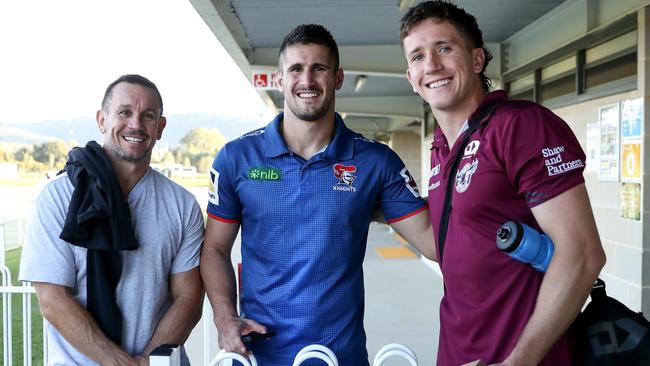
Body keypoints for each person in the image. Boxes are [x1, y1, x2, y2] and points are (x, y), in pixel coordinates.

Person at [202, 24, 434, 366]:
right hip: (259, 356)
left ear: (338, 78)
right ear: (280, 79)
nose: (307, 81)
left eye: (319, 68)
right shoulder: (237, 158)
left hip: (341, 357)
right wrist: (225, 318)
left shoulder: (375, 161)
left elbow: (433, 241)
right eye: (296, 68)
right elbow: (215, 248)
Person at [399, 2, 606, 365]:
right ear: (411, 78)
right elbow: (445, 244)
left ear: (477, 60)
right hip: (457, 354)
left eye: (444, 48)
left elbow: (583, 253)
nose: (431, 65)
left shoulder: (520, 127)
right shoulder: (441, 150)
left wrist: (519, 360)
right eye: (418, 56)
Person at [19, 74, 204, 366]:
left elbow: (189, 297)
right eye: (124, 112)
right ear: (102, 120)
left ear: (160, 128)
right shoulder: (56, 198)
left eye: (148, 116)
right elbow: (53, 299)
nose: (136, 124)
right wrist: (120, 363)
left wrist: (148, 361)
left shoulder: (182, 205)